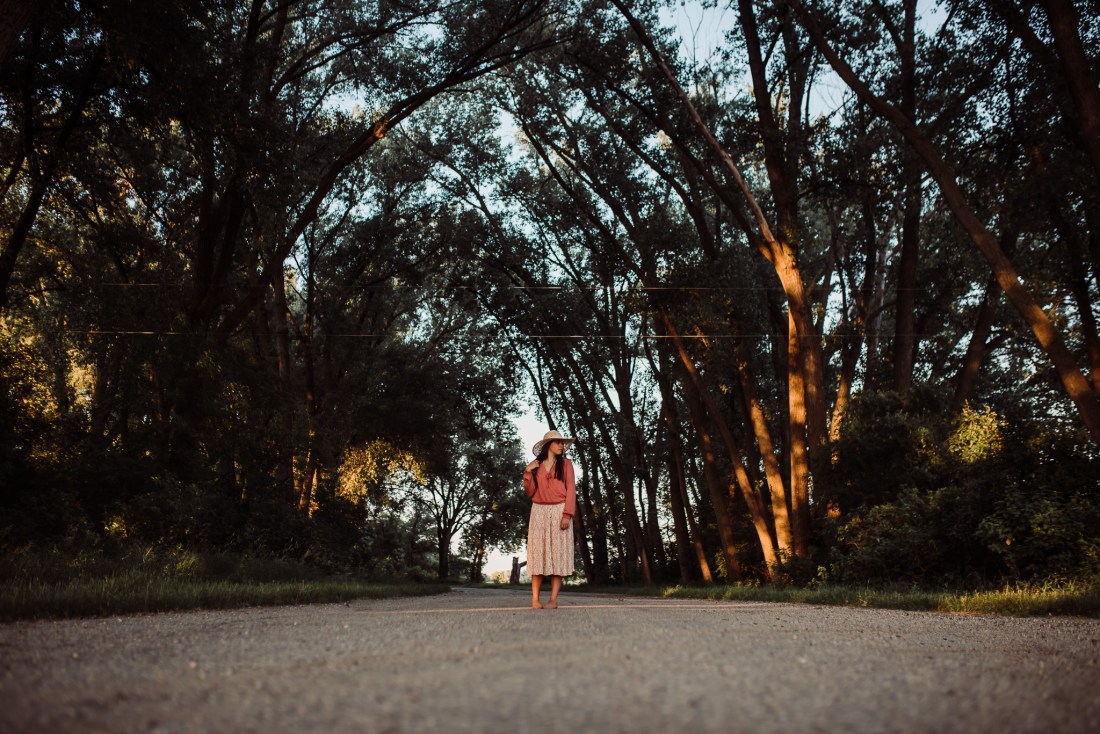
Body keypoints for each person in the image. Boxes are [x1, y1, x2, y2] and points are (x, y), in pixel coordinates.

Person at [523, 429, 576, 609]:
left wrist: (567, 514)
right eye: (557, 442)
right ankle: (535, 599)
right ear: (548, 445)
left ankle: (553, 599)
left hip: (560, 509)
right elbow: (530, 491)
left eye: (562, 443)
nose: (561, 445)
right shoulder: (536, 465)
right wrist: (527, 472)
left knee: (557, 555)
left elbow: (571, 489)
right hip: (538, 511)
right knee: (537, 554)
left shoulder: (566, 464)